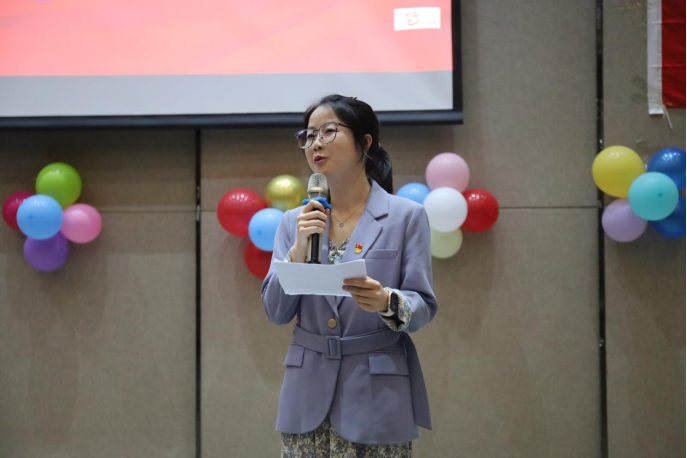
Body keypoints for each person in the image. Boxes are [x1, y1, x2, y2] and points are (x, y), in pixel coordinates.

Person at [261, 94, 439, 458]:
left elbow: (422, 305)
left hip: (376, 394)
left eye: (328, 131)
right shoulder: (294, 222)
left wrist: (386, 301)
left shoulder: (406, 217)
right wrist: (298, 251)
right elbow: (275, 311)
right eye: (309, 136)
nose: (316, 144)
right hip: (306, 398)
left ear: (365, 142)